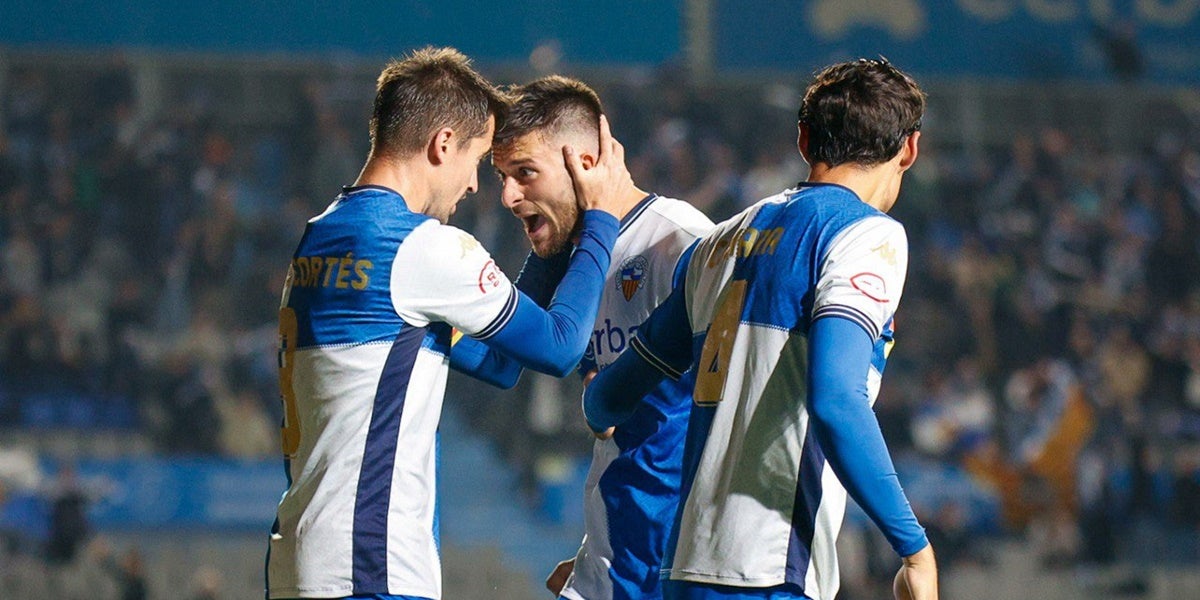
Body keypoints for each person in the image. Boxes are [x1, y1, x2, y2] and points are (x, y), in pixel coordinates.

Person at [267, 47, 630, 600]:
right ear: (442, 144)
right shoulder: (420, 249)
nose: (476, 187)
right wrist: (598, 218)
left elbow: (500, 363)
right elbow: (559, 348)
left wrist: (551, 243)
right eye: (477, 160)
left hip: (300, 564)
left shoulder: (319, 238)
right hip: (371, 571)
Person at [582, 59, 938, 600]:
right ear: (909, 149)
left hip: (681, 571)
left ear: (803, 140)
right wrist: (914, 548)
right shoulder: (866, 235)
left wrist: (600, 412)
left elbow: (607, 397)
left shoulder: (717, 243)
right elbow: (837, 400)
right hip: (770, 570)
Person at [457, 75, 713, 599]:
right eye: (503, 176)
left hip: (664, 578)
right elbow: (502, 361)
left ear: (586, 164)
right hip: (609, 569)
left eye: (525, 173)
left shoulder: (680, 243)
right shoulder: (578, 262)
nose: (507, 195)